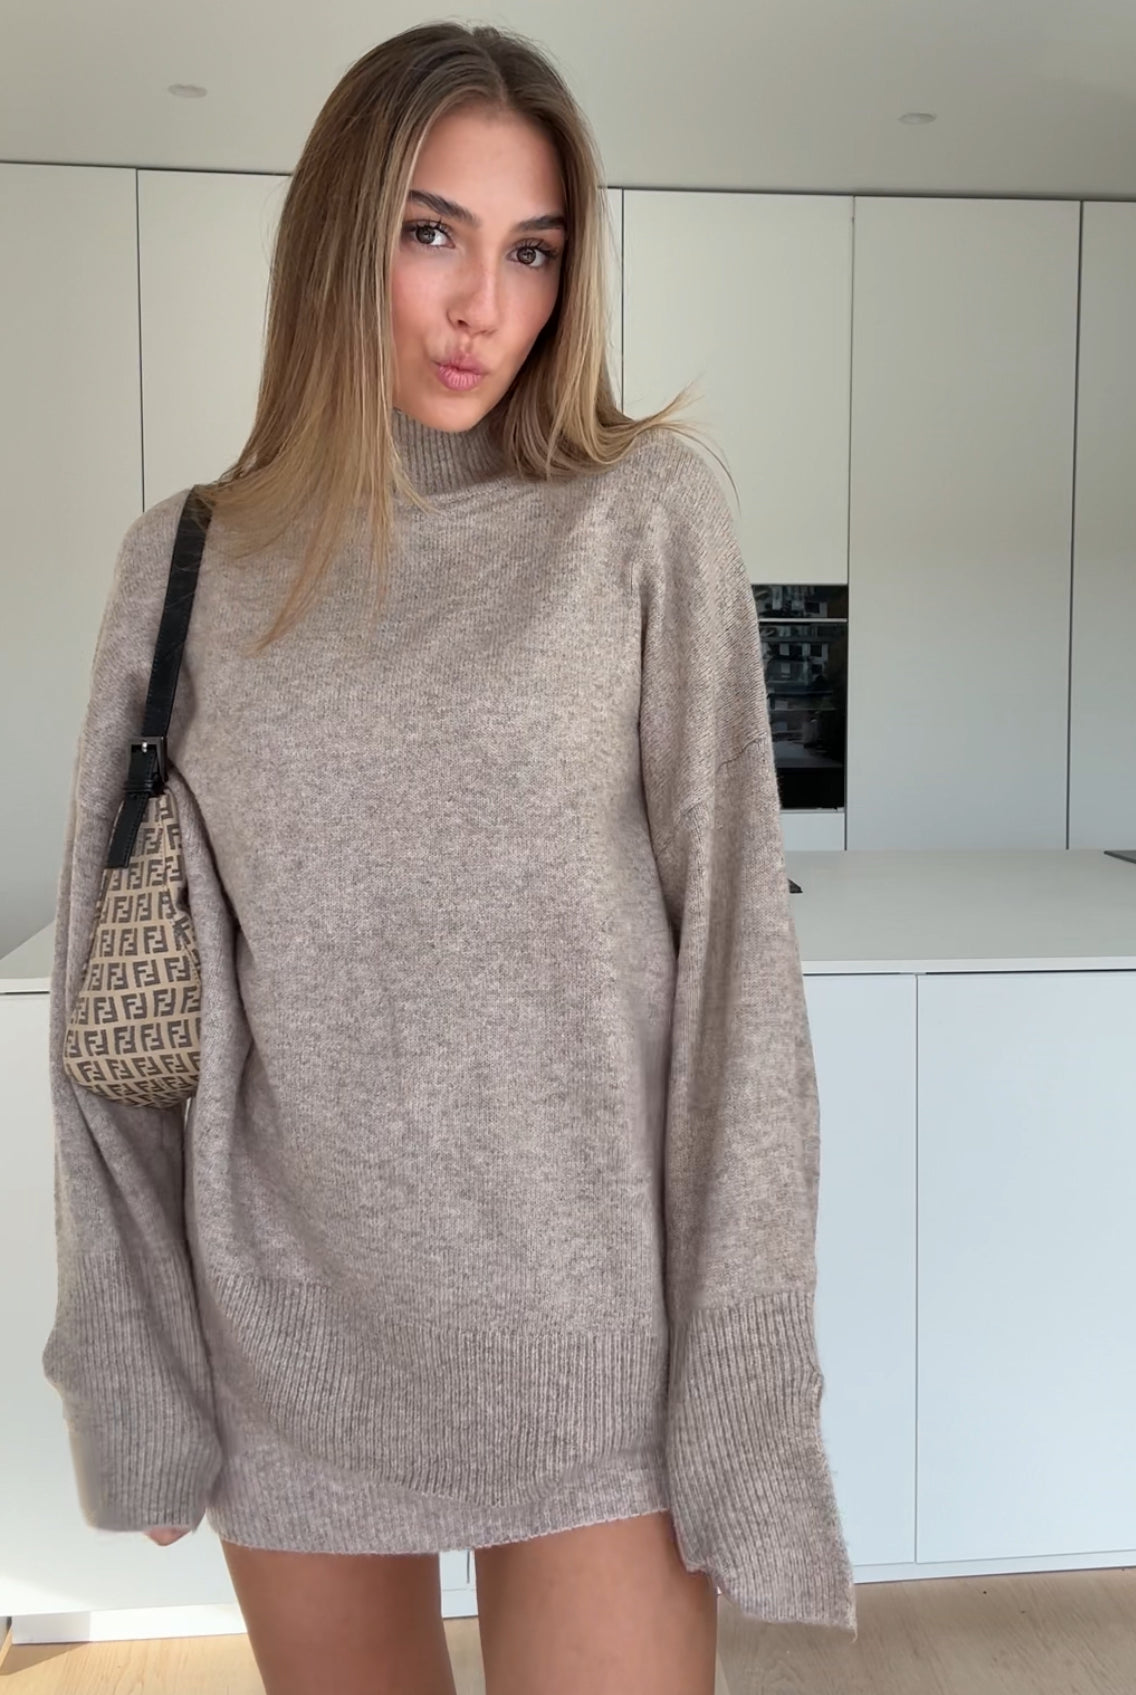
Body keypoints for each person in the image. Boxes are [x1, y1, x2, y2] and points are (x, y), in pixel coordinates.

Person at [41, 21, 857, 1695]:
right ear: (339, 238)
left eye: (532, 251)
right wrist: (135, 1372)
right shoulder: (188, 563)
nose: (484, 304)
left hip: (594, 1349)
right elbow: (116, 1015)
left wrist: (745, 1380)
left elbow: (737, 981)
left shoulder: (641, 520)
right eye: (433, 233)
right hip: (293, 1350)